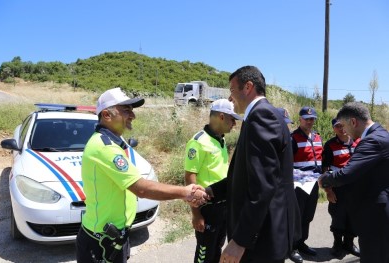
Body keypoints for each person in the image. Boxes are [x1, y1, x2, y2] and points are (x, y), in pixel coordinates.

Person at [76, 87, 208, 263]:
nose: (132, 115)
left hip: (114, 236)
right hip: (100, 242)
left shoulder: (115, 142)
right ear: (106, 115)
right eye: (126, 110)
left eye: (132, 110)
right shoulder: (104, 147)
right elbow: (142, 189)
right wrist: (186, 193)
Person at [207, 65, 301, 263]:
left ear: (248, 87)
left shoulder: (261, 116)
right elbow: (248, 177)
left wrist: (240, 241)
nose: (230, 98)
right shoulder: (261, 115)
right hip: (262, 234)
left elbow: (262, 186)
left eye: (232, 91)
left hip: (262, 240)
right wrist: (211, 192)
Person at [319, 102, 389, 263]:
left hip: (375, 215)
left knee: (374, 257)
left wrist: (324, 179)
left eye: (344, 125)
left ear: (353, 122)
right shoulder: (382, 134)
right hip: (379, 210)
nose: (345, 131)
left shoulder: (372, 141)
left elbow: (346, 174)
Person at [184, 99, 242, 263]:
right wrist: (196, 214)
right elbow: (190, 178)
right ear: (222, 117)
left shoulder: (220, 139)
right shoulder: (198, 141)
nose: (234, 124)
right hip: (207, 209)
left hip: (223, 207)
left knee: (216, 249)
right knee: (204, 253)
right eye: (232, 119)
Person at [321, 118, 360, 258]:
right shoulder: (330, 145)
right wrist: (328, 190)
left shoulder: (358, 141)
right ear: (334, 129)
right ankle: (337, 244)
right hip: (338, 188)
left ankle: (349, 243)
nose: (341, 128)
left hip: (356, 188)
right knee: (338, 217)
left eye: (343, 125)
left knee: (353, 217)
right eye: (337, 126)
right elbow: (325, 169)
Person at [289, 106, 322, 263]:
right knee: (297, 216)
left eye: (312, 119)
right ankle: (292, 246)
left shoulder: (317, 137)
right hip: (299, 184)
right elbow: (287, 163)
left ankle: (302, 242)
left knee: (308, 215)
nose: (309, 121)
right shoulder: (293, 138)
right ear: (300, 119)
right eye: (306, 118)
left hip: (313, 182)